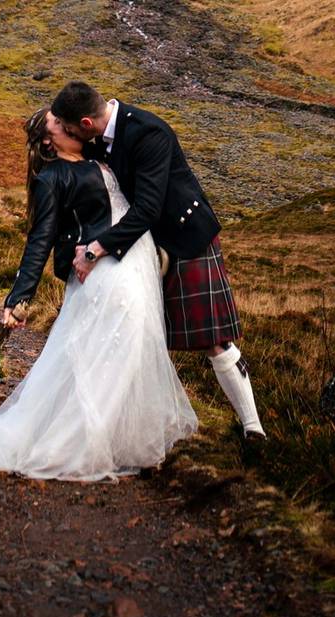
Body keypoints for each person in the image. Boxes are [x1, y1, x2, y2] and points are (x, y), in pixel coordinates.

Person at [0, 108, 197, 481]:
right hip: (100, 273)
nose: (65, 122)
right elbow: (40, 240)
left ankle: (119, 439)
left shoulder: (98, 154)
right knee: (109, 350)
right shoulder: (51, 177)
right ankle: (80, 442)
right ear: (49, 139)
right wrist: (19, 298)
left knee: (129, 347)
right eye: (56, 121)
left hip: (131, 263)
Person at [50, 81, 266, 440]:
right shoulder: (97, 138)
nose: (71, 135)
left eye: (71, 129)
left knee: (213, 340)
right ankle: (130, 429)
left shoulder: (149, 133)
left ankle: (253, 428)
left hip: (184, 240)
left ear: (86, 123)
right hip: (140, 248)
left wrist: (94, 250)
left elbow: (148, 209)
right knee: (134, 336)